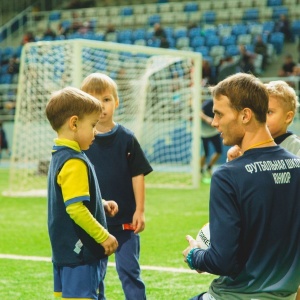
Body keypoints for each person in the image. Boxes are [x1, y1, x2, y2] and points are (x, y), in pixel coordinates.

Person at [182, 73, 300, 300]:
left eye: (219, 114)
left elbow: (222, 261)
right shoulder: (297, 165)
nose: (214, 122)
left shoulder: (227, 176)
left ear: (245, 115)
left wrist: (194, 255)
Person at [80, 73, 153, 300]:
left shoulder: (126, 139)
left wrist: (139, 210)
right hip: (94, 222)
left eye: (106, 99)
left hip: (125, 224)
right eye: (93, 100)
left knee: (129, 270)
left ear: (117, 102)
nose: (101, 106)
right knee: (94, 274)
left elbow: (137, 174)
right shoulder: (81, 142)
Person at [45, 86, 119, 299]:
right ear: (74, 123)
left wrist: (100, 204)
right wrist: (103, 236)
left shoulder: (59, 154)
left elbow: (70, 196)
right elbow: (76, 208)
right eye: (93, 125)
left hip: (64, 254)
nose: (95, 132)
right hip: (80, 255)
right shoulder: (73, 161)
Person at [228, 80, 300, 161]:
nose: (261, 117)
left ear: (288, 117)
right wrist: (234, 161)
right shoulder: (245, 147)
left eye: (269, 112)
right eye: (259, 111)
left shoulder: (296, 147)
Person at [200, 99, 222, 180]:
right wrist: (207, 119)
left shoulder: (221, 105)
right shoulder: (208, 103)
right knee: (205, 154)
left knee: (219, 152)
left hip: (214, 132)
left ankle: (209, 167)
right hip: (204, 133)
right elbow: (200, 113)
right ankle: (201, 171)